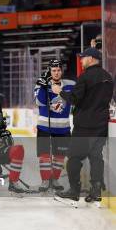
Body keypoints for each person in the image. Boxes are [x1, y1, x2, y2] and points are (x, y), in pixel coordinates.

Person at [52, 48, 114, 204]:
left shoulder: (85, 77)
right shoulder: (108, 77)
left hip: (85, 125)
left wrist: (60, 92)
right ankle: (96, 191)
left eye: (83, 58)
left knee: (73, 158)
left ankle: (74, 191)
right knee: (96, 157)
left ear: (91, 59)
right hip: (101, 125)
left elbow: (74, 99)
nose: (81, 61)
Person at [34, 60, 75, 192]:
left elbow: (75, 100)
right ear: (49, 72)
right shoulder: (41, 84)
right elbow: (39, 102)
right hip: (44, 127)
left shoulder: (70, 86)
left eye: (58, 70)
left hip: (63, 128)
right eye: (54, 70)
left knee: (59, 156)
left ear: (61, 71)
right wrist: (42, 87)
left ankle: (55, 180)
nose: (56, 73)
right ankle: (45, 180)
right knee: (44, 156)